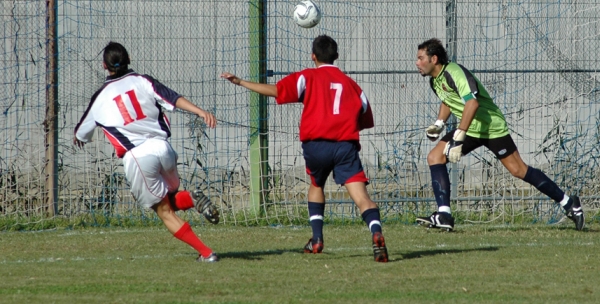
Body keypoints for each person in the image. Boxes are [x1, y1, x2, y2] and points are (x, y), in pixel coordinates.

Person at [220, 35, 389, 262]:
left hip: (316, 145)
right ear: (337, 57)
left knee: (316, 184)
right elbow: (366, 118)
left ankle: (317, 239)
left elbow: (277, 91)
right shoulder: (352, 85)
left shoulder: (307, 77)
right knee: (362, 197)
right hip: (345, 146)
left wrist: (240, 81)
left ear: (313, 56)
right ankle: (375, 232)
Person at [415, 38, 584, 231]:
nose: (417, 63)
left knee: (518, 170)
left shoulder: (454, 72)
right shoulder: (435, 81)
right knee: (435, 157)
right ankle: (444, 215)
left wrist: (458, 138)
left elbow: (472, 103)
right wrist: (439, 123)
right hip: (470, 126)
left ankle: (570, 204)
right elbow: (448, 99)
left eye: (421, 58)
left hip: (491, 126)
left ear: (434, 59)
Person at [74, 42, 221, 262]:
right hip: (164, 149)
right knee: (168, 201)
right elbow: (173, 98)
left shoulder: (100, 97)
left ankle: (206, 253)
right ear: (129, 58)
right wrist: (200, 112)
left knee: (164, 212)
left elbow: (81, 133)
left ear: (105, 66)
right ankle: (191, 198)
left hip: (138, 157)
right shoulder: (144, 81)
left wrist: (79, 138)